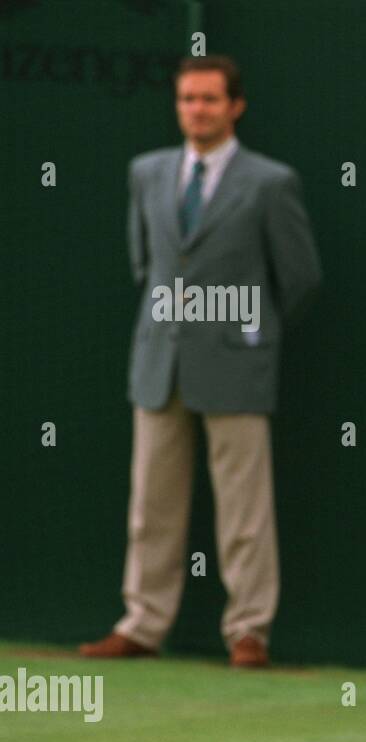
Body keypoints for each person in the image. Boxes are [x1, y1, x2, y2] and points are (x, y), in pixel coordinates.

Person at [79, 55, 321, 668]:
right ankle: (142, 623)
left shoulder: (270, 182)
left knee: (246, 510)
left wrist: (247, 334)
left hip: (237, 368)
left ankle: (249, 631)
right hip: (159, 363)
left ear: (234, 106)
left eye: (210, 99)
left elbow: (298, 279)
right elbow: (146, 264)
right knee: (150, 504)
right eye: (188, 99)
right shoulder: (147, 173)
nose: (198, 110)